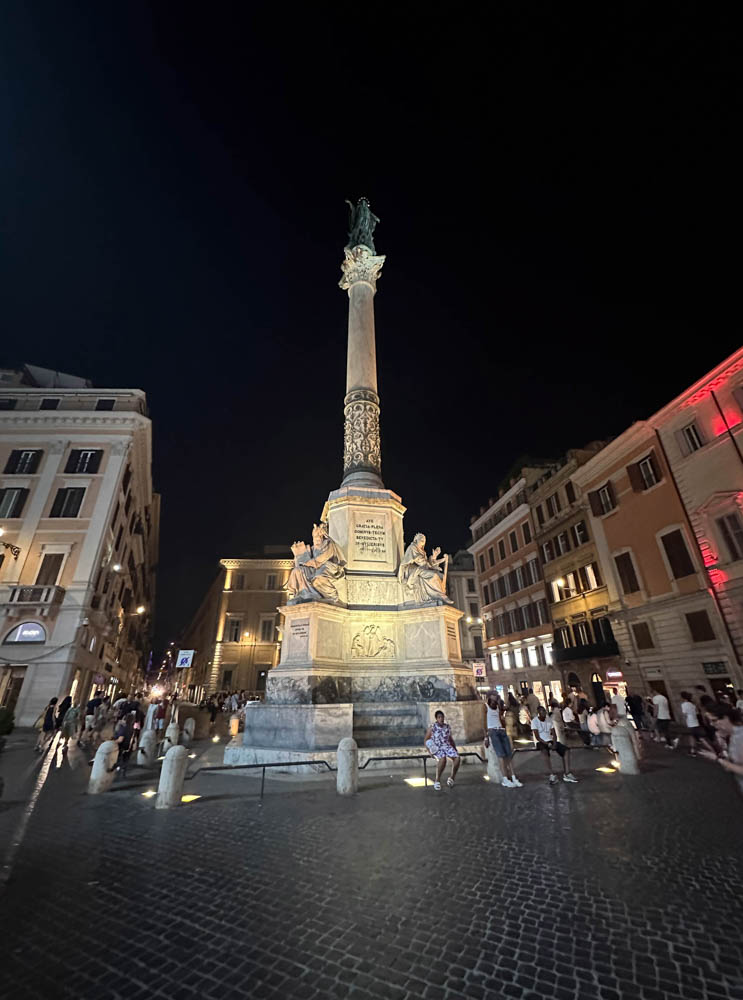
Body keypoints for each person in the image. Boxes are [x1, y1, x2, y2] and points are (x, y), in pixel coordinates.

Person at [531, 706, 578, 784]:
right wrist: (547, 744)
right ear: (538, 713)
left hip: (550, 740)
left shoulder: (548, 720)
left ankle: (567, 773)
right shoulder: (534, 721)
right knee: (544, 752)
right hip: (541, 742)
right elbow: (537, 737)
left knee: (566, 750)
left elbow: (554, 734)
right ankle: (551, 774)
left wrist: (555, 743)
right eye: (542, 711)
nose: (544, 713)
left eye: (544, 711)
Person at [483, 694, 522, 788]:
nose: (494, 701)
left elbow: (500, 718)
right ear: (489, 699)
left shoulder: (497, 707)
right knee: (501, 755)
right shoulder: (485, 707)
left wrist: (503, 726)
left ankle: (513, 777)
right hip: (493, 731)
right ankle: (505, 779)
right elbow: (484, 723)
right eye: (493, 699)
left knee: (508, 754)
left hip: (501, 730)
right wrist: (486, 737)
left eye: (495, 699)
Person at [424, 710, 460, 790]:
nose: (441, 719)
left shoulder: (447, 727)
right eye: (439, 717)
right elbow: (426, 740)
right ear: (436, 719)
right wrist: (429, 751)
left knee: (457, 758)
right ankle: (437, 780)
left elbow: (450, 739)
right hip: (437, 747)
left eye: (442, 717)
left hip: (446, 746)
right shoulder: (432, 727)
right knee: (443, 759)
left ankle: (452, 778)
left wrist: (454, 748)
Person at [675, 691, 716, 756]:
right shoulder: (692, 704)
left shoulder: (684, 705)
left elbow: (685, 715)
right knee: (693, 736)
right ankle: (693, 750)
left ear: (683, 697)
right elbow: (697, 712)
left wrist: (683, 721)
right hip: (695, 721)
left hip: (690, 722)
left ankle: (712, 751)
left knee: (698, 737)